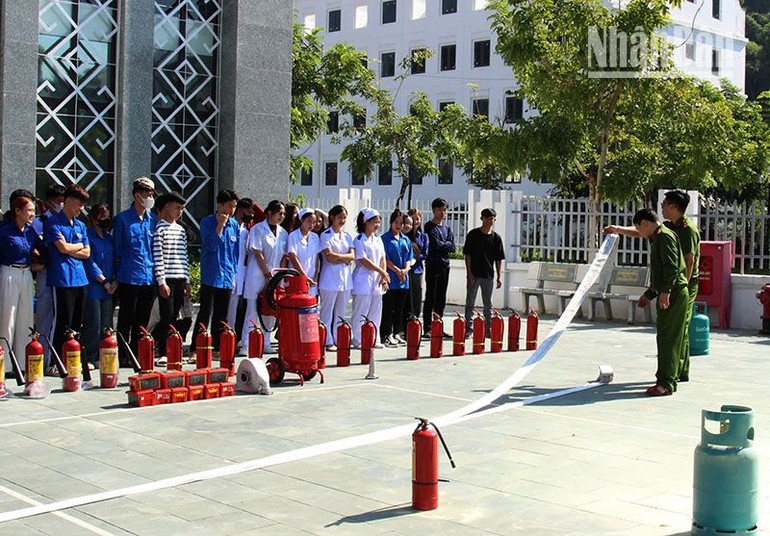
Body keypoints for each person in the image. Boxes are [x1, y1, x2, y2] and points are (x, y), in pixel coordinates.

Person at [604, 191, 700, 382]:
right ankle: (676, 371)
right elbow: (642, 231)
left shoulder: (686, 229)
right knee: (674, 330)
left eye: (664, 204)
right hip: (672, 284)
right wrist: (618, 229)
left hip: (682, 284)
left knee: (675, 329)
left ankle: (673, 374)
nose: (661, 207)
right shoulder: (667, 227)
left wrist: (677, 289)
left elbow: (688, 261)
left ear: (673, 207)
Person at [632, 208, 689, 396]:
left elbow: (671, 268)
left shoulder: (664, 237)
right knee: (668, 337)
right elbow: (660, 273)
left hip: (674, 293)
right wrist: (649, 295)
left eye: (638, 229)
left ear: (644, 223)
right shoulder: (659, 236)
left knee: (668, 339)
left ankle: (666, 383)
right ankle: (669, 377)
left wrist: (666, 292)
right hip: (671, 291)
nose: (639, 233)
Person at [45, 184, 97, 359]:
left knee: (77, 321)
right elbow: (62, 248)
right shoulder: (53, 222)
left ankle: (73, 358)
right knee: (63, 320)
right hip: (62, 277)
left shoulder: (80, 225)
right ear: (67, 201)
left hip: (80, 278)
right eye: (79, 204)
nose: (81, 208)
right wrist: (77, 246)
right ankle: (56, 360)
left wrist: (72, 248)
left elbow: (87, 252)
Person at [113, 177, 157, 366]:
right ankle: (123, 354)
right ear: (137, 195)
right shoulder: (122, 219)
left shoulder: (153, 219)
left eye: (152, 194)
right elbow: (116, 250)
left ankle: (137, 352)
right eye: (147, 194)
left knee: (142, 319)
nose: (150, 198)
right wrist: (114, 276)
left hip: (148, 277)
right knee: (126, 318)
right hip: (129, 276)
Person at [0, 194, 44, 372]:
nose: (32, 214)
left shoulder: (30, 231)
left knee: (26, 317)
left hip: (26, 273)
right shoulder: (4, 231)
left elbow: (44, 249)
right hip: (8, 272)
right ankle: (5, 365)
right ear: (17, 211)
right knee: (8, 318)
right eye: (29, 210)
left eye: (34, 210)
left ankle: (23, 361)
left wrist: (41, 264)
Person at [193, 189, 240, 353]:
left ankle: (218, 347)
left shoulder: (234, 225)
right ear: (219, 206)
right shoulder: (207, 222)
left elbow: (235, 253)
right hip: (211, 274)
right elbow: (211, 245)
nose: (231, 210)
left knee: (222, 314)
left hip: (227, 275)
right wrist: (220, 225)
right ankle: (197, 347)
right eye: (229, 206)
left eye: (234, 207)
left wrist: (234, 273)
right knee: (205, 312)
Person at [241, 199, 287, 353]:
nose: (281, 216)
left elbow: (283, 256)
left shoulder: (283, 233)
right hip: (257, 273)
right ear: (269, 213)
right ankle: (247, 343)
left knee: (270, 309)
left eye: (283, 214)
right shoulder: (257, 229)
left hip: (275, 275)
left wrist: (278, 275)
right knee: (252, 309)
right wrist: (266, 273)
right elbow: (257, 252)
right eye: (279, 213)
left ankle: (266, 342)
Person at [152, 192, 189, 360]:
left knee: (175, 315)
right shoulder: (159, 229)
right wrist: (161, 281)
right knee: (166, 315)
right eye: (177, 208)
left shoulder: (181, 230)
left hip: (180, 277)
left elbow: (184, 257)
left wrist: (187, 281)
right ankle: (162, 350)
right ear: (167, 207)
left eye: (182, 209)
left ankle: (172, 348)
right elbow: (158, 256)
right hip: (167, 278)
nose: (180, 212)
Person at [32, 184, 65, 373]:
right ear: (50, 202)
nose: (61, 205)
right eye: (59, 201)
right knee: (45, 316)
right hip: (45, 273)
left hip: (61, 274)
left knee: (58, 317)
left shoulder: (66, 222)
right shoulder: (39, 223)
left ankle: (54, 357)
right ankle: (43, 358)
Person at [82, 204, 117, 368]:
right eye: (103, 217)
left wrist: (114, 280)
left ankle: (104, 354)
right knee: (93, 323)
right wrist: (103, 281)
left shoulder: (109, 238)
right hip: (94, 286)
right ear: (94, 218)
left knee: (106, 324)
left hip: (109, 287)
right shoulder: (88, 236)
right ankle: (90, 356)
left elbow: (116, 259)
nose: (106, 220)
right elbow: (89, 262)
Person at [463, 208, 505, 338]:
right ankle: (468, 329)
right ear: (481, 219)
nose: (488, 221)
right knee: (470, 302)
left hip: (488, 275)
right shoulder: (473, 235)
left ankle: (488, 329)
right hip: (474, 274)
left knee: (488, 304)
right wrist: (469, 273)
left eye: (491, 218)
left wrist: (499, 276)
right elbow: (468, 255)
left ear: (494, 219)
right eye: (486, 218)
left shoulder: (496, 238)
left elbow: (498, 259)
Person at [351, 208, 389, 348]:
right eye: (374, 222)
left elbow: (383, 258)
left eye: (378, 222)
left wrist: (383, 275)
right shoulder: (359, 239)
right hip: (363, 278)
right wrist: (381, 271)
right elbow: (363, 259)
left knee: (376, 311)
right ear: (365, 222)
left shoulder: (378, 240)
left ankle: (374, 339)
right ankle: (358, 339)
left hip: (377, 279)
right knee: (361, 310)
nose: (377, 225)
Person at [318, 205, 354, 352]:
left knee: (341, 312)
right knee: (327, 312)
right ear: (332, 217)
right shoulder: (325, 235)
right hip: (330, 279)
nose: (342, 220)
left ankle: (339, 338)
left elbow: (352, 256)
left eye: (344, 218)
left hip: (344, 279)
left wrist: (341, 257)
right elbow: (330, 257)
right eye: (340, 217)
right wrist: (344, 258)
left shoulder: (347, 236)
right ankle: (326, 340)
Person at [380, 209, 414, 347]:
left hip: (403, 279)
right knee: (389, 308)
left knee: (400, 308)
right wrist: (397, 271)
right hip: (392, 278)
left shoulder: (405, 239)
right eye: (396, 222)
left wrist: (405, 270)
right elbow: (385, 258)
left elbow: (409, 257)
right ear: (391, 223)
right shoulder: (385, 239)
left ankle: (396, 332)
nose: (399, 225)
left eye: (401, 223)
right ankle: (386, 334)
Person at [422, 198, 455, 337]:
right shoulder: (429, 227)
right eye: (440, 209)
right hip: (433, 264)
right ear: (434, 210)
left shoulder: (447, 228)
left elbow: (452, 247)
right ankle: (428, 327)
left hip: (444, 265)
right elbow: (435, 244)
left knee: (441, 297)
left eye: (445, 209)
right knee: (431, 295)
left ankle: (438, 325)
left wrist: (444, 244)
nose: (443, 212)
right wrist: (445, 244)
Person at [227, 197, 254, 346]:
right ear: (240, 210)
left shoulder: (246, 231)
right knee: (228, 307)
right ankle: (227, 336)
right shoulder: (229, 226)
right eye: (248, 211)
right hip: (229, 272)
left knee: (238, 307)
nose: (251, 214)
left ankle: (234, 337)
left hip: (241, 273)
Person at [286, 208, 321, 296]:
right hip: (297, 278)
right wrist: (304, 277)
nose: (311, 225)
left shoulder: (315, 237)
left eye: (314, 222)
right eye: (309, 221)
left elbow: (316, 258)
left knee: (311, 302)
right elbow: (293, 257)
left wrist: (316, 277)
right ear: (302, 220)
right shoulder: (293, 236)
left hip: (312, 280)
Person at [404, 208, 428, 331]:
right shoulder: (404, 235)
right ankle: (404, 324)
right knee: (406, 297)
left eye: (417, 219)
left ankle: (415, 321)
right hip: (405, 270)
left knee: (417, 296)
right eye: (412, 219)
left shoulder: (423, 236)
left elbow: (425, 253)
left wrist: (415, 258)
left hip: (417, 270)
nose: (415, 222)